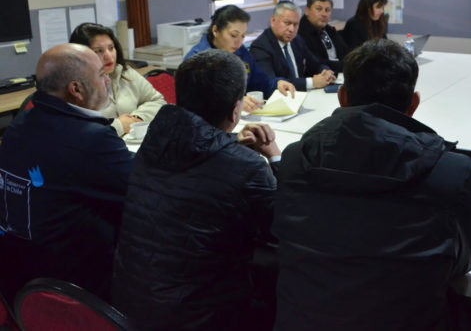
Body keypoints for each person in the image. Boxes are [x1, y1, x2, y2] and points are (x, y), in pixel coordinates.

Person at [272, 40, 471, 331]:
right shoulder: (452, 175)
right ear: (413, 103)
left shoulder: (295, 160)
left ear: (342, 97)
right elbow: (468, 259)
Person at [111, 49, 282, 329]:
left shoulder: (154, 141)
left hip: (129, 304)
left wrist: (228, 143)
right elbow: (282, 227)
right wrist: (275, 157)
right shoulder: (247, 166)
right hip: (201, 316)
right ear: (236, 109)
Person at [0, 44, 133, 300]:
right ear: (76, 89)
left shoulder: (18, 126)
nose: (107, 80)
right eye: (101, 74)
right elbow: (142, 190)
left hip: (18, 278)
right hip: (75, 286)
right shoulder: (91, 139)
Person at [185, 5, 295, 111]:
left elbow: (261, 82)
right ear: (215, 31)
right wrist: (233, 104)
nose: (238, 42)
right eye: (233, 35)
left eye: (242, 36)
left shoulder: (241, 52)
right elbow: (199, 103)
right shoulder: (196, 61)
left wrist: (277, 84)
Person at [69, 22, 166, 136]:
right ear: (82, 55)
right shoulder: (75, 88)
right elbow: (78, 132)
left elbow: (158, 101)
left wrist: (136, 118)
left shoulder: (125, 72)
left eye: (111, 48)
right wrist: (119, 126)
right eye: (98, 51)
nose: (109, 56)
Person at [250, 1, 337, 91]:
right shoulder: (261, 47)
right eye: (287, 23)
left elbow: (315, 63)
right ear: (273, 20)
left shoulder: (297, 40)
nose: (291, 29)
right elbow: (271, 81)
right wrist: (312, 82)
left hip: (302, 95)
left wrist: (325, 71)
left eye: (295, 25)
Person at [297, 0, 350, 74]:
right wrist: (343, 65)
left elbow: (346, 52)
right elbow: (315, 63)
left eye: (327, 10)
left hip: (340, 73)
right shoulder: (300, 33)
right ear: (307, 11)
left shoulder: (329, 30)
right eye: (319, 9)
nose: (324, 14)